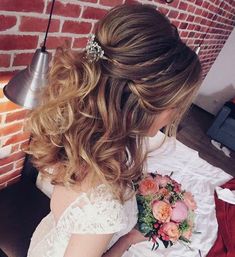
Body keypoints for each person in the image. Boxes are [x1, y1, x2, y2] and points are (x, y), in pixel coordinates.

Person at [26, 3, 202, 257]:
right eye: (174, 106)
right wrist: (129, 240)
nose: (175, 114)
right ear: (137, 109)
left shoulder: (80, 139)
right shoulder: (103, 205)